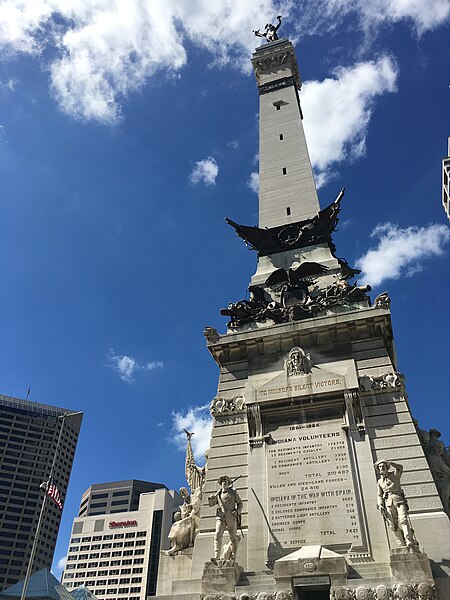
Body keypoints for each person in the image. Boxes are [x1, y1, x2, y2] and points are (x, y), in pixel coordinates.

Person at [375, 460, 418, 547]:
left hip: (398, 500)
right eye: (379, 467)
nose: (381, 468)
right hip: (388, 503)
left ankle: (408, 539)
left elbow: (400, 467)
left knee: (403, 520)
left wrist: (390, 463)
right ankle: (401, 543)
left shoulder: (394, 475)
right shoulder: (379, 481)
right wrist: (380, 504)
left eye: (383, 466)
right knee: (393, 525)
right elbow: (379, 495)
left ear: (387, 467)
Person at [208, 475, 243, 564]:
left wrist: (237, 512)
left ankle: (233, 556)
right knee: (217, 534)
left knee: (233, 538)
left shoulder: (233, 493)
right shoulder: (218, 494)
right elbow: (211, 504)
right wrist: (210, 499)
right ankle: (216, 556)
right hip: (221, 516)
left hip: (231, 516)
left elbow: (240, 504)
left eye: (226, 481)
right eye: (223, 481)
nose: (224, 482)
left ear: (228, 483)